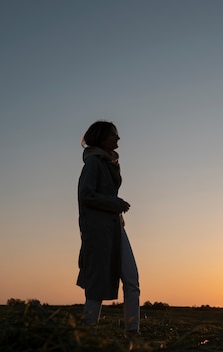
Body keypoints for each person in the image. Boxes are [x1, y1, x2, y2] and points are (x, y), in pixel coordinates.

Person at [77, 120, 141, 335]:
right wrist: (116, 203)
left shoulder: (109, 162)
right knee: (96, 283)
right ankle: (87, 334)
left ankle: (133, 333)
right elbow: (86, 195)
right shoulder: (93, 162)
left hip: (116, 228)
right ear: (101, 137)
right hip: (98, 231)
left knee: (131, 280)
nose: (118, 138)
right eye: (113, 134)